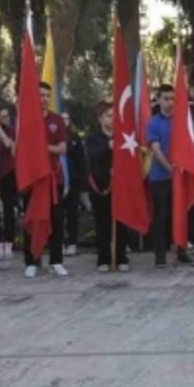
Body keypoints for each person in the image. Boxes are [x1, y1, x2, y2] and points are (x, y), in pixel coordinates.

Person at [22, 82, 70, 278]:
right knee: (32, 219)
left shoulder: (56, 120)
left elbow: (62, 148)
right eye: (40, 95)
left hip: (53, 179)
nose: (43, 99)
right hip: (32, 180)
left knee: (56, 221)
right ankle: (32, 261)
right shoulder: (25, 120)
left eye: (46, 96)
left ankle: (56, 261)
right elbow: (22, 149)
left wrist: (43, 147)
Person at [146, 84, 194, 267]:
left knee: (181, 214)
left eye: (173, 98)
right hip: (160, 177)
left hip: (181, 177)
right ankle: (160, 255)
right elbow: (156, 150)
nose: (170, 102)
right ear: (158, 100)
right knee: (161, 216)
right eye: (166, 99)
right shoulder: (153, 123)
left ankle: (182, 251)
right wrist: (171, 169)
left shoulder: (182, 121)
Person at [84, 102, 131, 272]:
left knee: (120, 221)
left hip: (120, 185)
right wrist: (108, 147)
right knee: (102, 223)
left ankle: (121, 257)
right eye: (108, 116)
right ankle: (103, 258)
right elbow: (93, 157)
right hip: (100, 185)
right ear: (100, 119)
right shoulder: (93, 138)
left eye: (114, 116)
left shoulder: (123, 136)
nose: (112, 120)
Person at [0, 106, 17, 259]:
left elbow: (8, 144)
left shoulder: (11, 130)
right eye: (2, 116)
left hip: (8, 173)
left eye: (7, 116)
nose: (5, 119)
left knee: (9, 209)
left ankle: (9, 242)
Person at [61, 111, 86, 257]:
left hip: (73, 180)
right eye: (61, 119)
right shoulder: (54, 136)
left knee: (72, 213)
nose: (64, 121)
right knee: (59, 214)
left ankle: (72, 242)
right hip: (59, 180)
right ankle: (61, 242)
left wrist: (82, 180)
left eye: (66, 118)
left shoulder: (75, 137)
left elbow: (81, 159)